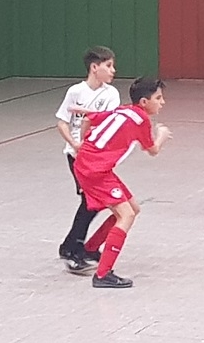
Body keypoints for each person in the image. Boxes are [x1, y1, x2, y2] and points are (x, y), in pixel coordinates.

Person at [74, 76, 172, 289]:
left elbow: (88, 119)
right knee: (126, 215)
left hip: (90, 166)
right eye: (158, 98)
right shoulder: (141, 120)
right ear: (144, 102)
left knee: (133, 209)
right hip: (94, 171)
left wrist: (82, 145)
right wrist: (162, 135)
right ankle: (103, 274)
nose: (162, 102)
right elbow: (152, 150)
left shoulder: (123, 110)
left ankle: (90, 249)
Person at [54, 47, 122, 275]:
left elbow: (107, 123)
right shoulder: (75, 92)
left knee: (95, 202)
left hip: (96, 157)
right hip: (76, 156)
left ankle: (72, 246)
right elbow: (62, 121)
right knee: (90, 201)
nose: (113, 70)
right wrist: (74, 144)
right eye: (108, 66)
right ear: (94, 67)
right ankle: (73, 250)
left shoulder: (111, 94)